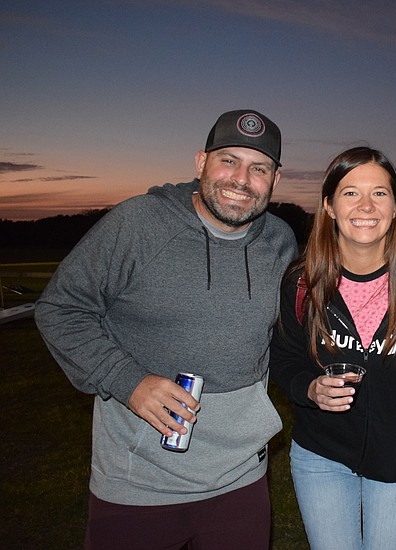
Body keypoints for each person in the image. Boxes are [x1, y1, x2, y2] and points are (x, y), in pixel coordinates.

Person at [35, 109, 297, 550]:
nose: (241, 179)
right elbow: (61, 308)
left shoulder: (281, 241)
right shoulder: (139, 223)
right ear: (200, 163)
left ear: (275, 180)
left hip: (242, 478)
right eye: (228, 160)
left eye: (259, 168)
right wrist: (130, 383)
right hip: (140, 483)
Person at [269, 146, 396, 550]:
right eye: (350, 192)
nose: (366, 205)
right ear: (330, 206)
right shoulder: (302, 282)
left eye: (380, 193)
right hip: (321, 456)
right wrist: (309, 389)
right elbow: (283, 357)